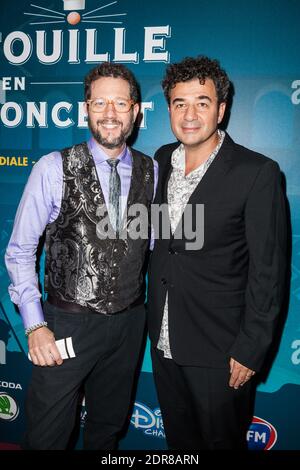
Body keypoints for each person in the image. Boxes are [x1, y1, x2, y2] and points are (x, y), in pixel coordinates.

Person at [5, 62, 158, 450]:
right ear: (85, 109)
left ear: (136, 111)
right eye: (100, 103)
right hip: (65, 324)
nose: (110, 113)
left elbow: (153, 244)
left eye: (120, 104)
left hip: (128, 324)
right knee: (47, 434)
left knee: (107, 429)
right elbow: (21, 251)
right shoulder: (53, 168)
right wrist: (35, 326)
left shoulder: (151, 170)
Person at [147, 56, 287, 450]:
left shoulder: (256, 172)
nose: (190, 115)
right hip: (163, 340)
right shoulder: (159, 161)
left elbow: (268, 270)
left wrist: (250, 347)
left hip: (221, 350)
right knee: (180, 444)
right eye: (180, 103)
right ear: (170, 108)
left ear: (221, 110)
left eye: (202, 102)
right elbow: (160, 243)